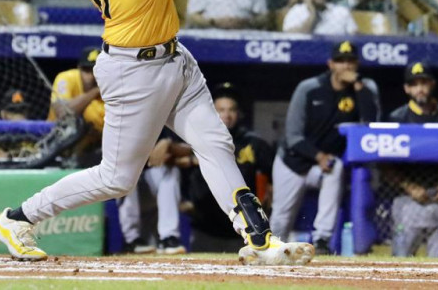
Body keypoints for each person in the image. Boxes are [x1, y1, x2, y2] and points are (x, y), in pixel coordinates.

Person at [0, 0, 314, 266]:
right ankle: (17, 219)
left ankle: (258, 237)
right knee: (116, 179)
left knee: (214, 143)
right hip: (133, 71)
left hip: (175, 60)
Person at [271, 41, 381, 255]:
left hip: (323, 166)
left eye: (350, 61)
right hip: (293, 162)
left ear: (357, 64)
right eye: (341, 61)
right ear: (331, 64)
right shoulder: (310, 88)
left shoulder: (365, 88)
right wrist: (318, 155)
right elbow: (293, 136)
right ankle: (270, 250)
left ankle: (322, 239)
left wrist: (358, 86)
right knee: (281, 217)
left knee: (336, 167)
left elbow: (370, 124)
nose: (346, 66)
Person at [182, 83, 276, 252]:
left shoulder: (253, 143)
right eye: (221, 110)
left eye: (231, 110)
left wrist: (266, 207)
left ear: (238, 113)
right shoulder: (197, 139)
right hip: (205, 229)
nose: (227, 115)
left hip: (241, 232)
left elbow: (273, 180)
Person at [383, 63, 438, 258]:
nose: (419, 88)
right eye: (414, 84)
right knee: (401, 260)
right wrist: (409, 186)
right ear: (406, 89)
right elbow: (384, 163)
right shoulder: (397, 118)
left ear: (432, 84)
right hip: (408, 199)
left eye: (424, 83)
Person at [118, 131, 186, 255]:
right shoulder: (122, 117)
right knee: (125, 174)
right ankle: (132, 240)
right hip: (125, 186)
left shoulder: (162, 117)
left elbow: (190, 148)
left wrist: (169, 144)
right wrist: (149, 154)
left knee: (170, 171)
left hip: (151, 186)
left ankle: (169, 237)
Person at [46, 46, 105, 164]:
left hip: (91, 150)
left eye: (94, 71)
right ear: (79, 68)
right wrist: (94, 91)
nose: (91, 76)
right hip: (55, 145)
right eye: (86, 70)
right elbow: (63, 113)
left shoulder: (109, 86)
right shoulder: (66, 78)